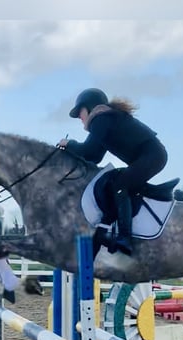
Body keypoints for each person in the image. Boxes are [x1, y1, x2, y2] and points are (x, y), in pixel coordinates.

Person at [58, 88, 168, 256]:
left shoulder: (100, 119)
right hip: (152, 156)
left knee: (119, 185)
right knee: (118, 182)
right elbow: (94, 156)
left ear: (88, 107)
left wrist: (69, 144)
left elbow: (88, 150)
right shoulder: (105, 120)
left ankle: (125, 237)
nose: (80, 118)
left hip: (153, 156)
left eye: (80, 112)